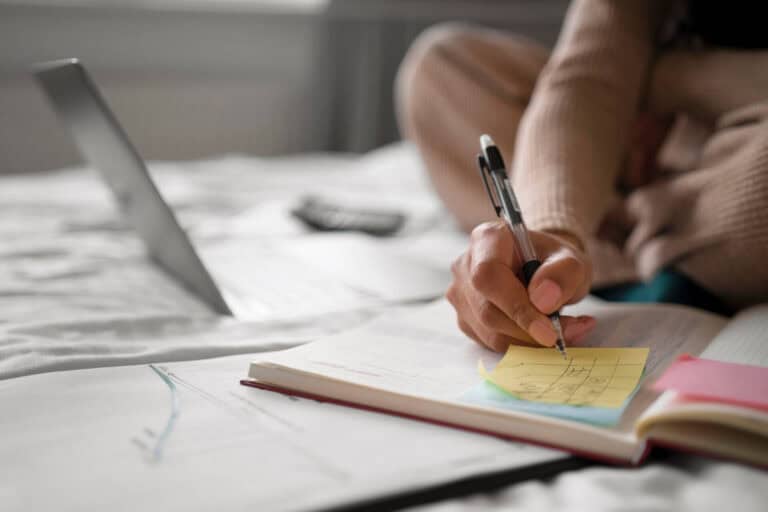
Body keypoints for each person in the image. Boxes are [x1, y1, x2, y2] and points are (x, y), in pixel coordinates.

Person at [396, 0, 768, 353]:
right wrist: (552, 231)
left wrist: (660, 84)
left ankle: (621, 232)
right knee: (441, 69)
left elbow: (612, 76)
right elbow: (587, 75)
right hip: (642, 141)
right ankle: (664, 237)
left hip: (738, 133)